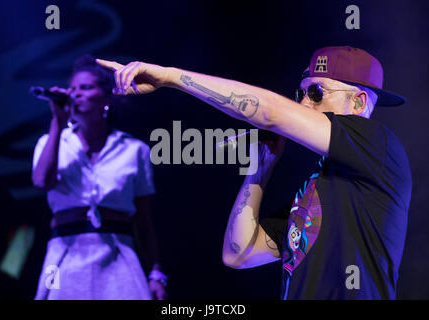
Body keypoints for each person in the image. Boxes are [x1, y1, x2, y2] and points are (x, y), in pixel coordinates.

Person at [97, 46, 412, 299]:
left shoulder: (379, 145)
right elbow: (239, 253)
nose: (303, 103)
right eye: (300, 92)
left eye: (316, 92)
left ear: (357, 103)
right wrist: (259, 169)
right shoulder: (319, 188)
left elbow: (270, 112)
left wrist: (170, 77)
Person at [32, 55, 167, 300]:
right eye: (72, 89)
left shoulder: (134, 149)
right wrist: (57, 123)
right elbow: (42, 182)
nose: (76, 94)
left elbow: (144, 220)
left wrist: (156, 273)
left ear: (106, 97)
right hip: (65, 252)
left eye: (86, 88)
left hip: (118, 253)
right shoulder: (52, 142)